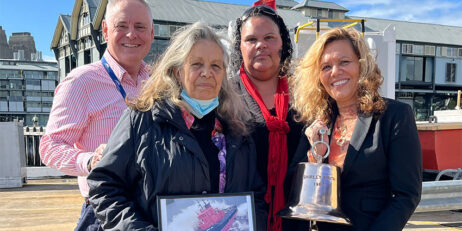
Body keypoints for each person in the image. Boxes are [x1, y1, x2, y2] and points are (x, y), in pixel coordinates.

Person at [87, 22, 266, 230]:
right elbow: (104, 187)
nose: (207, 73)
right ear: (177, 71)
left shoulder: (238, 131)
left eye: (216, 66)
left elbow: (256, 198)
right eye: (196, 64)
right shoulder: (141, 121)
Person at [290, 27, 422, 231]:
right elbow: (296, 192)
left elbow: (406, 195)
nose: (335, 72)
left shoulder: (394, 116)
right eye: (326, 67)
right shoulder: (316, 123)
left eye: (344, 62)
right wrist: (314, 157)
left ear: (362, 65)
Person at [39, 0, 154, 230]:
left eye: (140, 27)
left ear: (151, 34)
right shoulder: (81, 82)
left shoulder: (157, 81)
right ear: (105, 30)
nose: (131, 34)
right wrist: (90, 161)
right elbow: (49, 146)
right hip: (106, 211)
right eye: (122, 25)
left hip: (153, 207)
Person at [230, 3, 309, 231]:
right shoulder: (224, 96)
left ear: (283, 42)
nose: (260, 45)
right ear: (240, 46)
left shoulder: (306, 94)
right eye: (251, 39)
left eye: (269, 37)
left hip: (297, 218)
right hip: (243, 217)